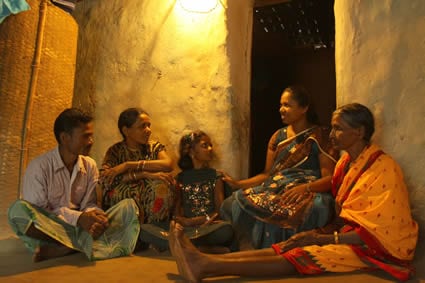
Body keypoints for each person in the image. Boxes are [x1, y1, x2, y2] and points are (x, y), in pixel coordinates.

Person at [169, 103, 419, 282]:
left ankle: (206, 266)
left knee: (302, 254)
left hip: (377, 248)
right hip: (345, 233)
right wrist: (316, 234)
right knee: (287, 244)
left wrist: (321, 238)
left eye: (339, 129)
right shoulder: (346, 163)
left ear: (360, 132)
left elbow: (374, 233)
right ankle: (200, 257)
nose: (331, 135)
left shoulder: (383, 168)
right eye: (331, 128)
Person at [8, 108, 140, 262]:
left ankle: (67, 247)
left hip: (82, 227)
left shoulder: (89, 165)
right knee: (17, 211)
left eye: (91, 135)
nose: (91, 141)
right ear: (65, 138)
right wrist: (79, 219)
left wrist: (96, 217)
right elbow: (39, 213)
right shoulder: (39, 167)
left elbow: (88, 204)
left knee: (129, 207)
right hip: (54, 229)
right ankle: (85, 244)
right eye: (85, 136)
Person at [220, 85, 338, 249]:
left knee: (318, 206)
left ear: (304, 108)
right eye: (281, 105)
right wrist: (238, 184)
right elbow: (267, 175)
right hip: (275, 186)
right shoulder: (277, 137)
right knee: (232, 202)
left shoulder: (320, 136)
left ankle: (287, 250)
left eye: (287, 105)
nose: (281, 109)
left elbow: (330, 179)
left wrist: (305, 188)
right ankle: (250, 250)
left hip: (306, 189)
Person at [139, 130, 234, 252]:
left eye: (211, 145)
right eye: (205, 145)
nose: (210, 149)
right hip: (186, 230)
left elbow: (219, 211)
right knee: (144, 229)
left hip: (208, 227)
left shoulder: (216, 176)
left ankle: (183, 246)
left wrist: (194, 221)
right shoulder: (180, 178)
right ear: (192, 151)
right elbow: (177, 212)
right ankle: (200, 247)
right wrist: (182, 222)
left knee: (225, 229)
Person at [98, 107, 174, 248]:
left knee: (161, 186)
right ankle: (129, 238)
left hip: (150, 198)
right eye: (142, 126)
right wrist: (143, 174)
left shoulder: (154, 147)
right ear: (126, 131)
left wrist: (128, 165)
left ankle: (153, 236)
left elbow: (168, 164)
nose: (148, 130)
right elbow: (104, 179)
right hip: (126, 195)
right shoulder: (115, 151)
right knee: (121, 193)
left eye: (149, 125)